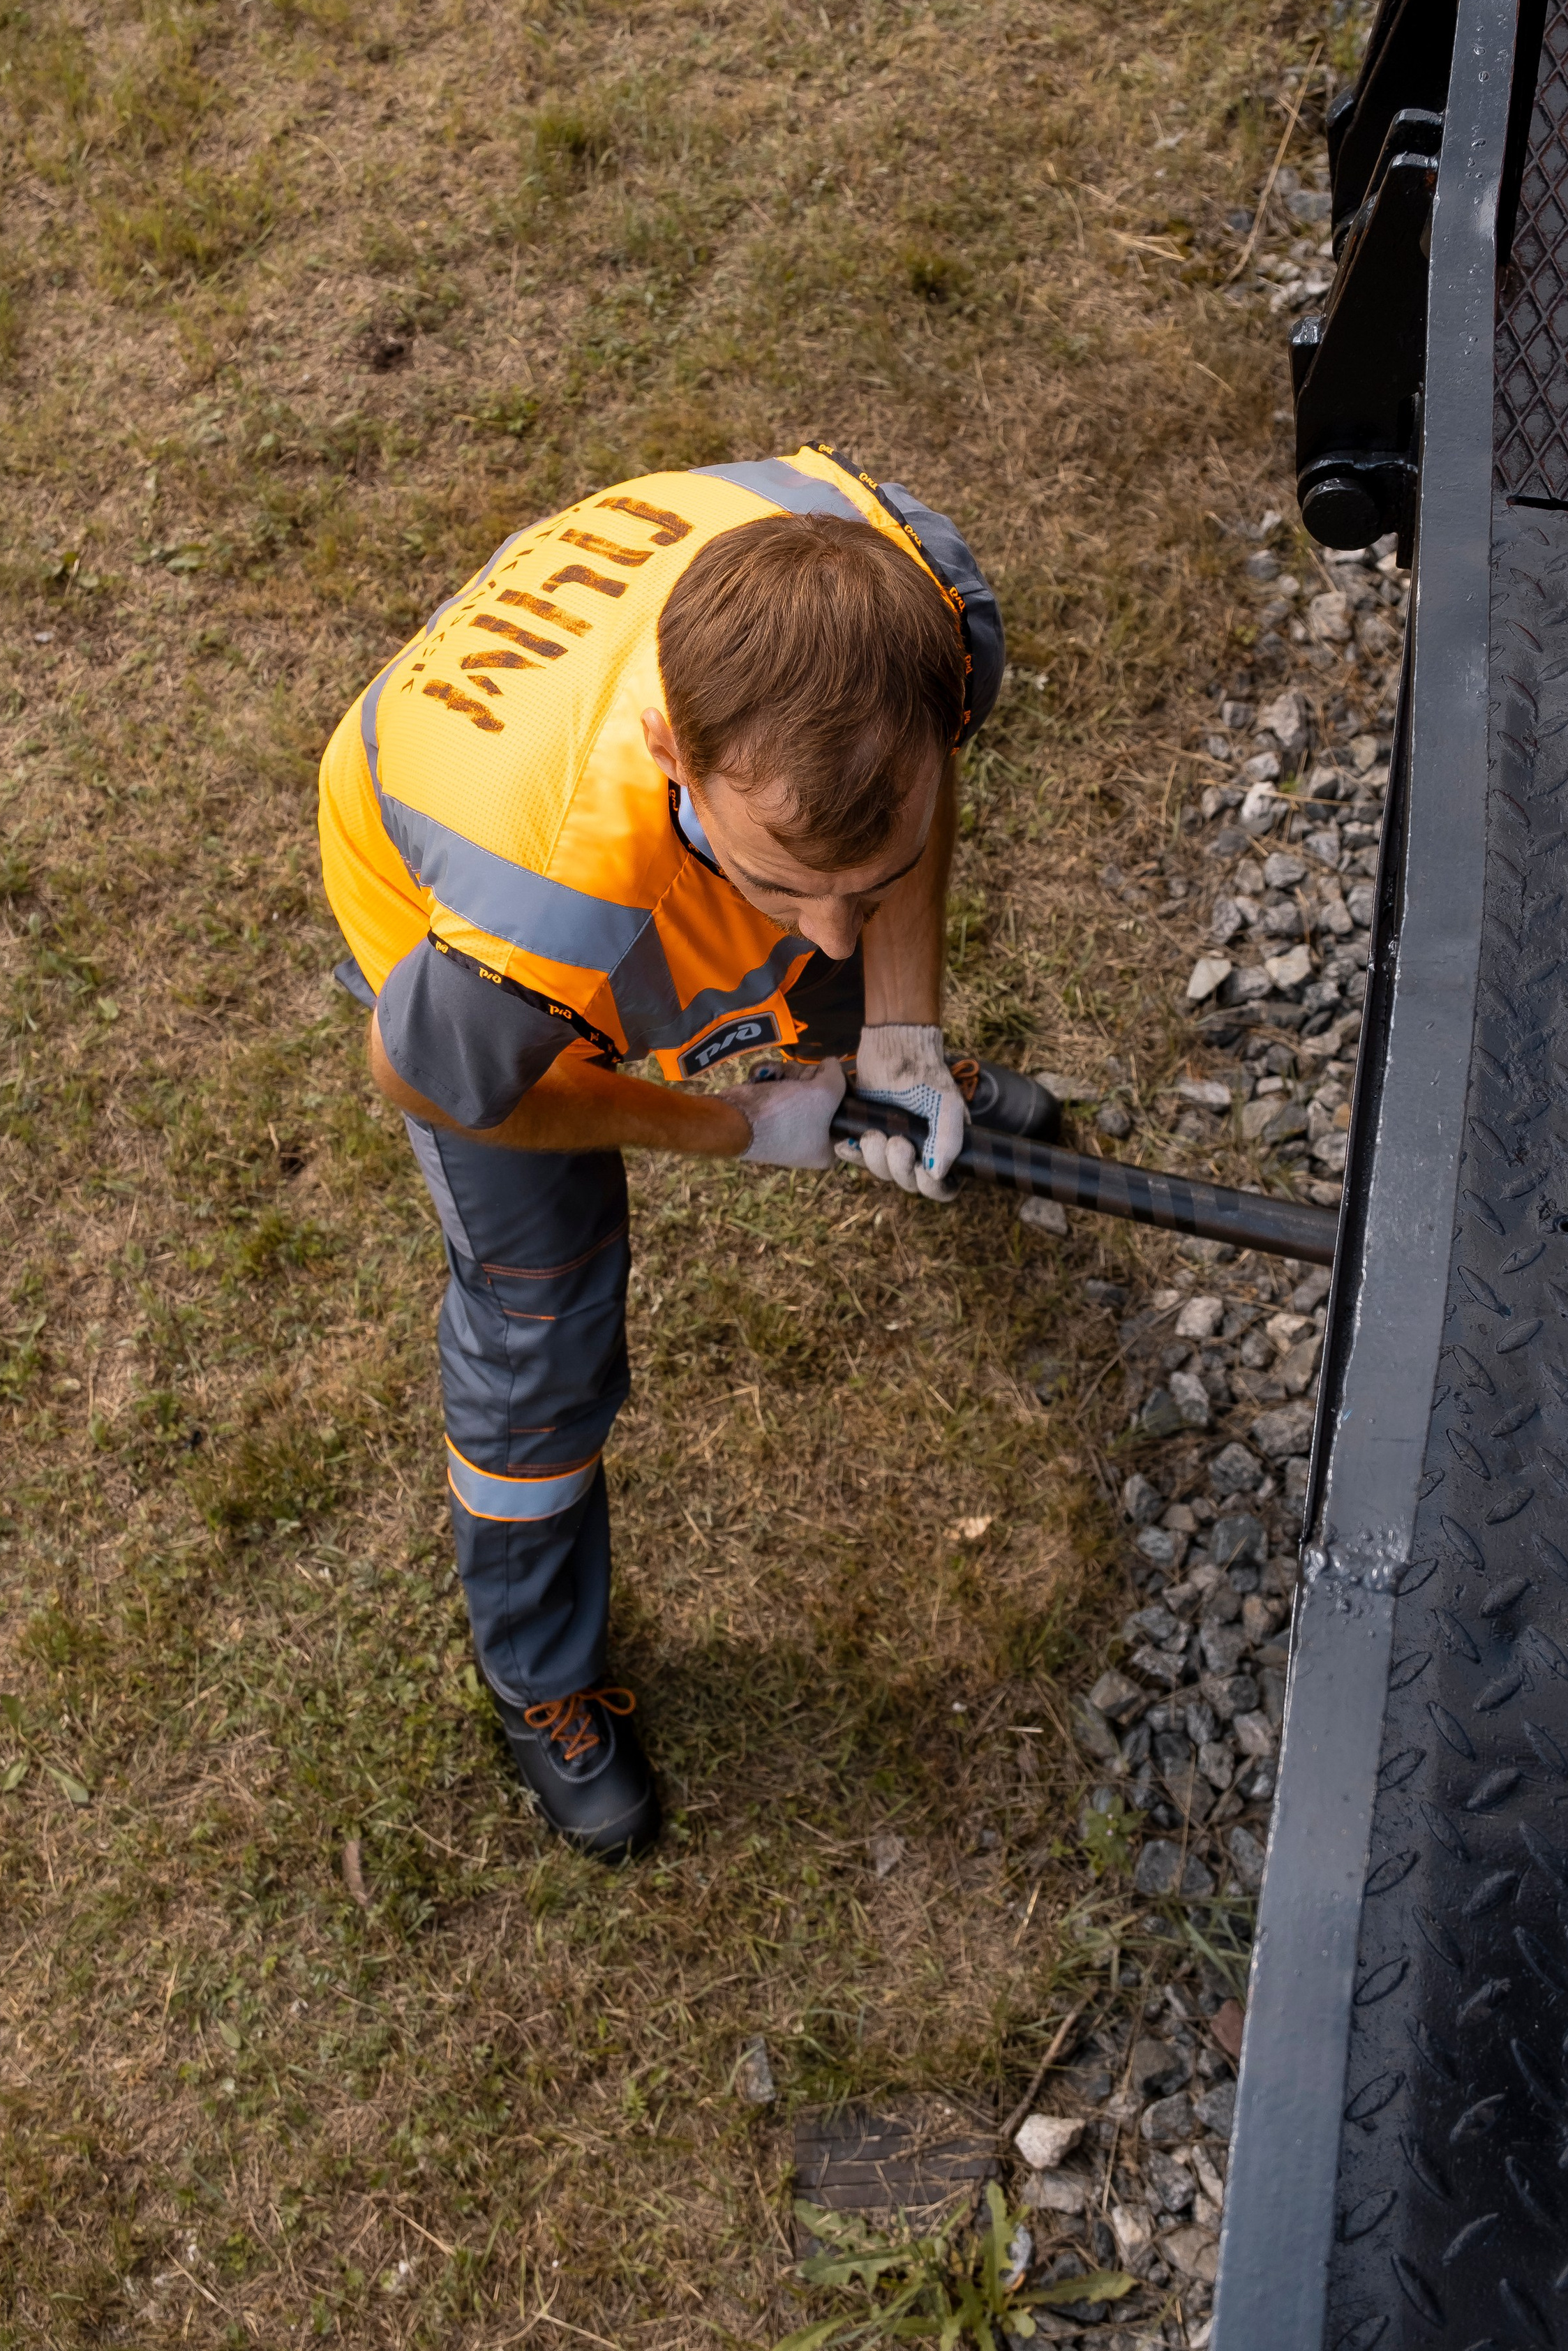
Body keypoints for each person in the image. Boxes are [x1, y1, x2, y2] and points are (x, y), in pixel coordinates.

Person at [318, 445, 1043, 1862]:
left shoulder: (926, 616)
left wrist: (891, 1029)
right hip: (434, 899)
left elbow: (877, 811)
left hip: (718, 796)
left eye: (866, 885)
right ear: (670, 753)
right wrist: (733, 1124)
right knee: (544, 1306)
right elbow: (436, 1083)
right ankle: (541, 1680)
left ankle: (890, 1086)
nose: (827, 929)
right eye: (780, 884)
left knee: (823, 949)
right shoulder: (534, 902)